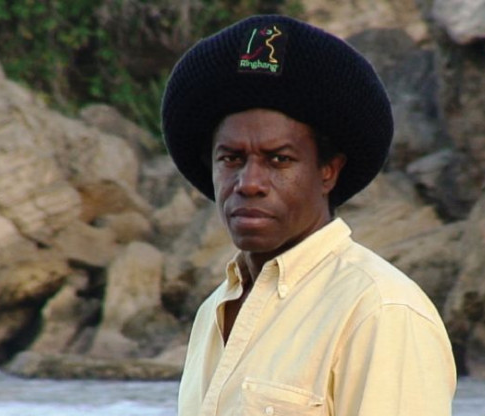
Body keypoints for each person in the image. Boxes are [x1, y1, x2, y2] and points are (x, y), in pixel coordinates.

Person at [161, 14, 456, 416]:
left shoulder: (379, 311)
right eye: (230, 158)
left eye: (279, 159)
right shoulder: (213, 312)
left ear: (328, 171)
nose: (249, 183)